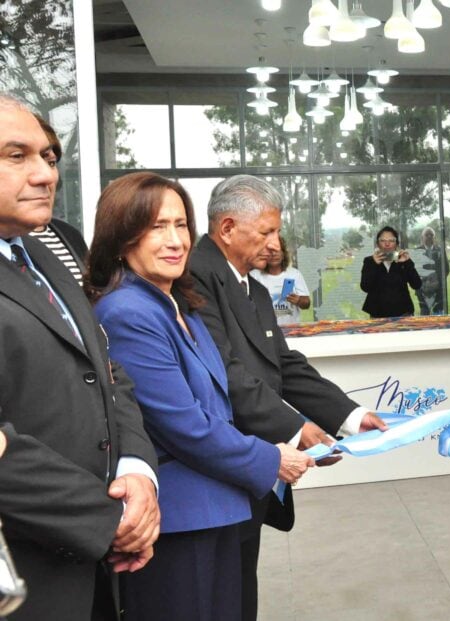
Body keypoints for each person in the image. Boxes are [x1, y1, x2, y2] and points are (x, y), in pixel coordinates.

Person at [88, 172, 313, 620]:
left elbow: (220, 399)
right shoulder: (127, 312)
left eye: (180, 225)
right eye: (156, 227)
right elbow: (184, 426)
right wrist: (272, 458)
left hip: (219, 508)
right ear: (121, 236)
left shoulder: (178, 302)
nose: (175, 240)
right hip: (179, 521)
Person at [188, 175, 387, 621]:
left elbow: (284, 364)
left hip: (254, 464)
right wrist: (297, 431)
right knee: (220, 593)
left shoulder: (252, 288)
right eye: (266, 232)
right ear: (226, 229)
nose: (276, 244)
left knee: (241, 584)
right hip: (222, 463)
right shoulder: (196, 277)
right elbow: (226, 373)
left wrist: (351, 416)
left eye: (276, 231)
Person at [0, 93, 159, 621]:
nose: (46, 175)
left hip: (90, 572)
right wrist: (106, 519)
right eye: (15, 155)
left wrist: (137, 472)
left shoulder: (46, 253)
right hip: (22, 578)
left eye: (47, 156)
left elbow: (105, 372)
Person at [27, 115, 88, 282]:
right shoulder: (11, 246)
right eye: (17, 157)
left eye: (51, 162)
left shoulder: (69, 235)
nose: (45, 176)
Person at [361, 226, 422, 318]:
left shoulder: (403, 260)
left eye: (391, 240)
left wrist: (407, 262)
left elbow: (417, 284)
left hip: (403, 312)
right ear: (377, 244)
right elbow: (365, 287)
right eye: (383, 240)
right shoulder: (369, 261)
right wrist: (374, 265)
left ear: (397, 244)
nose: (387, 244)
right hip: (377, 314)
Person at [250, 236, 310, 325]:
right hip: (264, 331)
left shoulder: (294, 274)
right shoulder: (254, 275)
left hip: (291, 330)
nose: (274, 254)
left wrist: (298, 300)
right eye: (270, 251)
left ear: (283, 254)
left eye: (277, 250)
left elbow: (307, 303)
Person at [414, 226, 446, 315]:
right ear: (422, 237)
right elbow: (413, 271)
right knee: (425, 316)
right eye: (426, 235)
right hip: (422, 290)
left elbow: (446, 269)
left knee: (439, 316)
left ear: (434, 238)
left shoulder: (440, 250)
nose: (429, 237)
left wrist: (437, 281)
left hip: (438, 290)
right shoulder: (417, 252)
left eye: (431, 235)